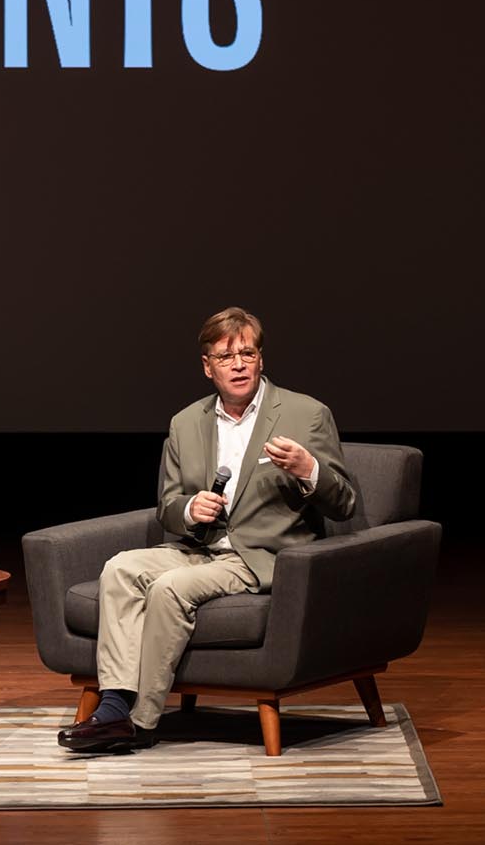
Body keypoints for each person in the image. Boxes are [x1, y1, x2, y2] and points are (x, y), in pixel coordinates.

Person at [57, 306, 357, 753]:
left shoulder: (306, 414)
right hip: (199, 546)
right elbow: (168, 505)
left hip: (260, 554)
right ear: (207, 366)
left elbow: (345, 503)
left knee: (170, 588)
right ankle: (114, 705)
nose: (238, 365)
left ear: (260, 359)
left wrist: (308, 468)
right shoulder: (185, 423)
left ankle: (139, 721)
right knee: (119, 568)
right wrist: (190, 509)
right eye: (225, 356)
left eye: (247, 354)